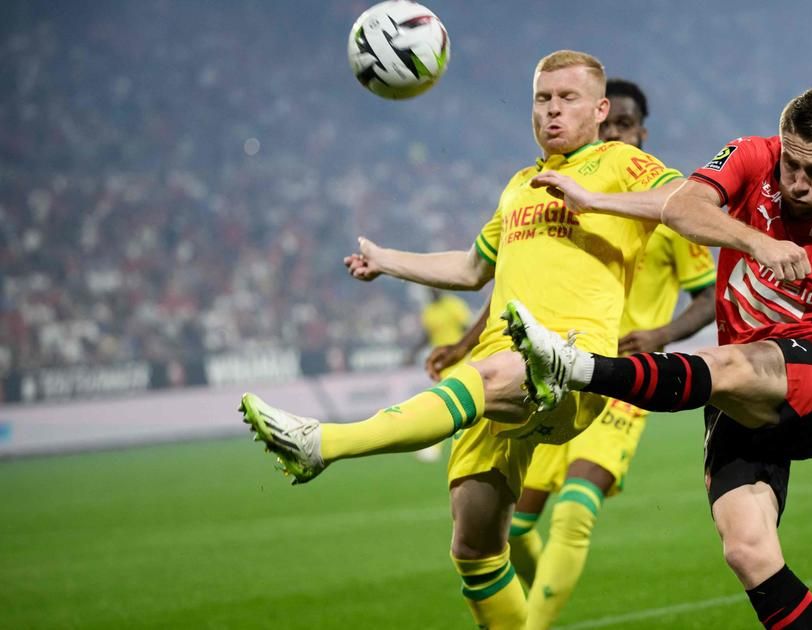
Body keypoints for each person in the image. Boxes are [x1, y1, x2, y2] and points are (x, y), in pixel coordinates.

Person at [238, 50, 683, 629]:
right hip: (503, 360)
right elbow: (475, 268)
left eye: (567, 99)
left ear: (600, 110)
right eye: (542, 99)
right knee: (475, 546)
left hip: (569, 365)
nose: (551, 111)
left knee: (497, 384)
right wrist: (388, 260)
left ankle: (323, 443)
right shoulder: (521, 185)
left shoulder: (621, 164)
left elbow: (686, 200)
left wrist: (597, 201)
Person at [506, 87, 812, 629]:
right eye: (791, 164)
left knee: (729, 365)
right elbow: (683, 205)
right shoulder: (751, 156)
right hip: (739, 400)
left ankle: (573, 368)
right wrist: (753, 242)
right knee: (748, 551)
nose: (797, 182)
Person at [427, 78, 717, 629]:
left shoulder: (662, 208)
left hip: (621, 377)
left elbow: (709, 299)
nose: (614, 135)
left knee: (575, 512)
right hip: (551, 372)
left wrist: (660, 337)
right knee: (510, 529)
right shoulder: (562, 190)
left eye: (624, 126)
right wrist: (464, 345)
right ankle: (532, 612)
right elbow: (518, 284)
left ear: (641, 132)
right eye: (607, 127)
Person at [411, 288, 474, 462]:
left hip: (460, 361)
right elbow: (426, 335)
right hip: (441, 364)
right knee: (446, 403)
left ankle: (434, 446)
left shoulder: (454, 305)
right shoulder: (428, 312)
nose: (433, 291)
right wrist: (412, 352)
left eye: (435, 287)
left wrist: (464, 349)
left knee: (444, 403)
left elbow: (469, 329)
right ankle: (439, 444)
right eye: (430, 288)